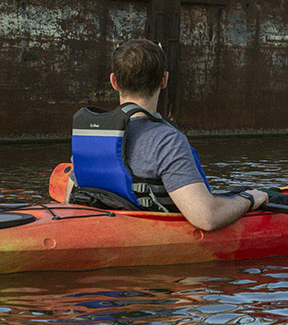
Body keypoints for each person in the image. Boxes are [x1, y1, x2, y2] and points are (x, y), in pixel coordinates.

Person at [69, 39, 269, 230]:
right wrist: (249, 199)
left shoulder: (91, 134)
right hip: (147, 238)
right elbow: (207, 218)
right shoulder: (166, 141)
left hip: (98, 227)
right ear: (164, 80)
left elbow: (70, 196)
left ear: (114, 81)